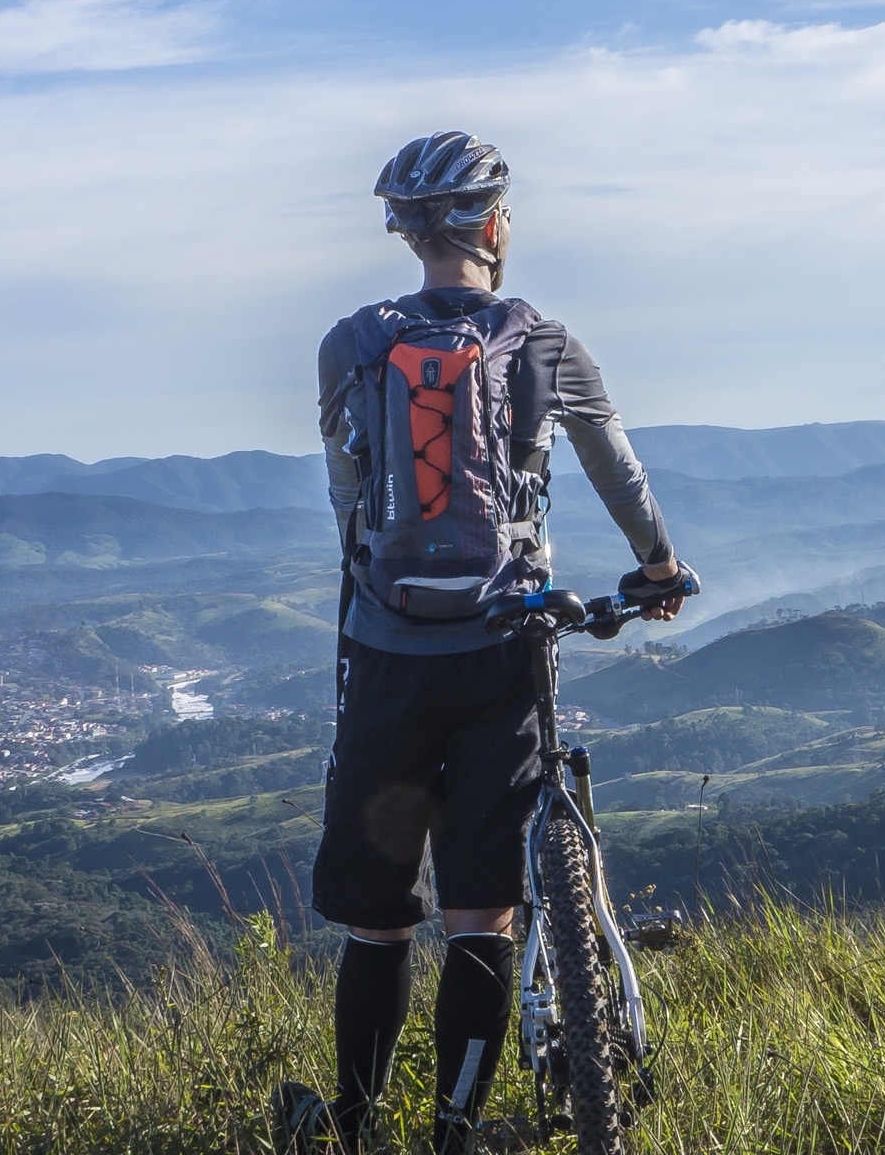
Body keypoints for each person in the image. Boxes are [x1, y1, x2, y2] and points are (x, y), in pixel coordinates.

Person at [273, 131, 695, 1155]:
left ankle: (355, 1125)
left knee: (380, 921)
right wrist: (656, 564)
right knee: (480, 915)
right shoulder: (544, 342)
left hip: (385, 651)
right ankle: (454, 1133)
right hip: (505, 650)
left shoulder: (350, 344)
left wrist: (381, 591)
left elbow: (345, 498)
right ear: (495, 223)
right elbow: (618, 472)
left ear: (406, 232)